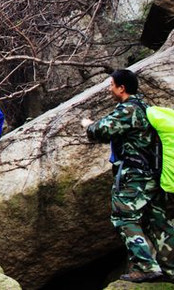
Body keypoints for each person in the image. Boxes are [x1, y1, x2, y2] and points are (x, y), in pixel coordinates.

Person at [82, 69, 174, 283]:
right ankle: (171, 268)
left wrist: (88, 125)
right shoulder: (144, 107)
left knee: (123, 217)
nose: (110, 89)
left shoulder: (129, 109)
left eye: (112, 85)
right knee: (158, 221)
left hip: (135, 177)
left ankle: (145, 266)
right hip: (153, 175)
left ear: (121, 88)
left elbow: (101, 131)